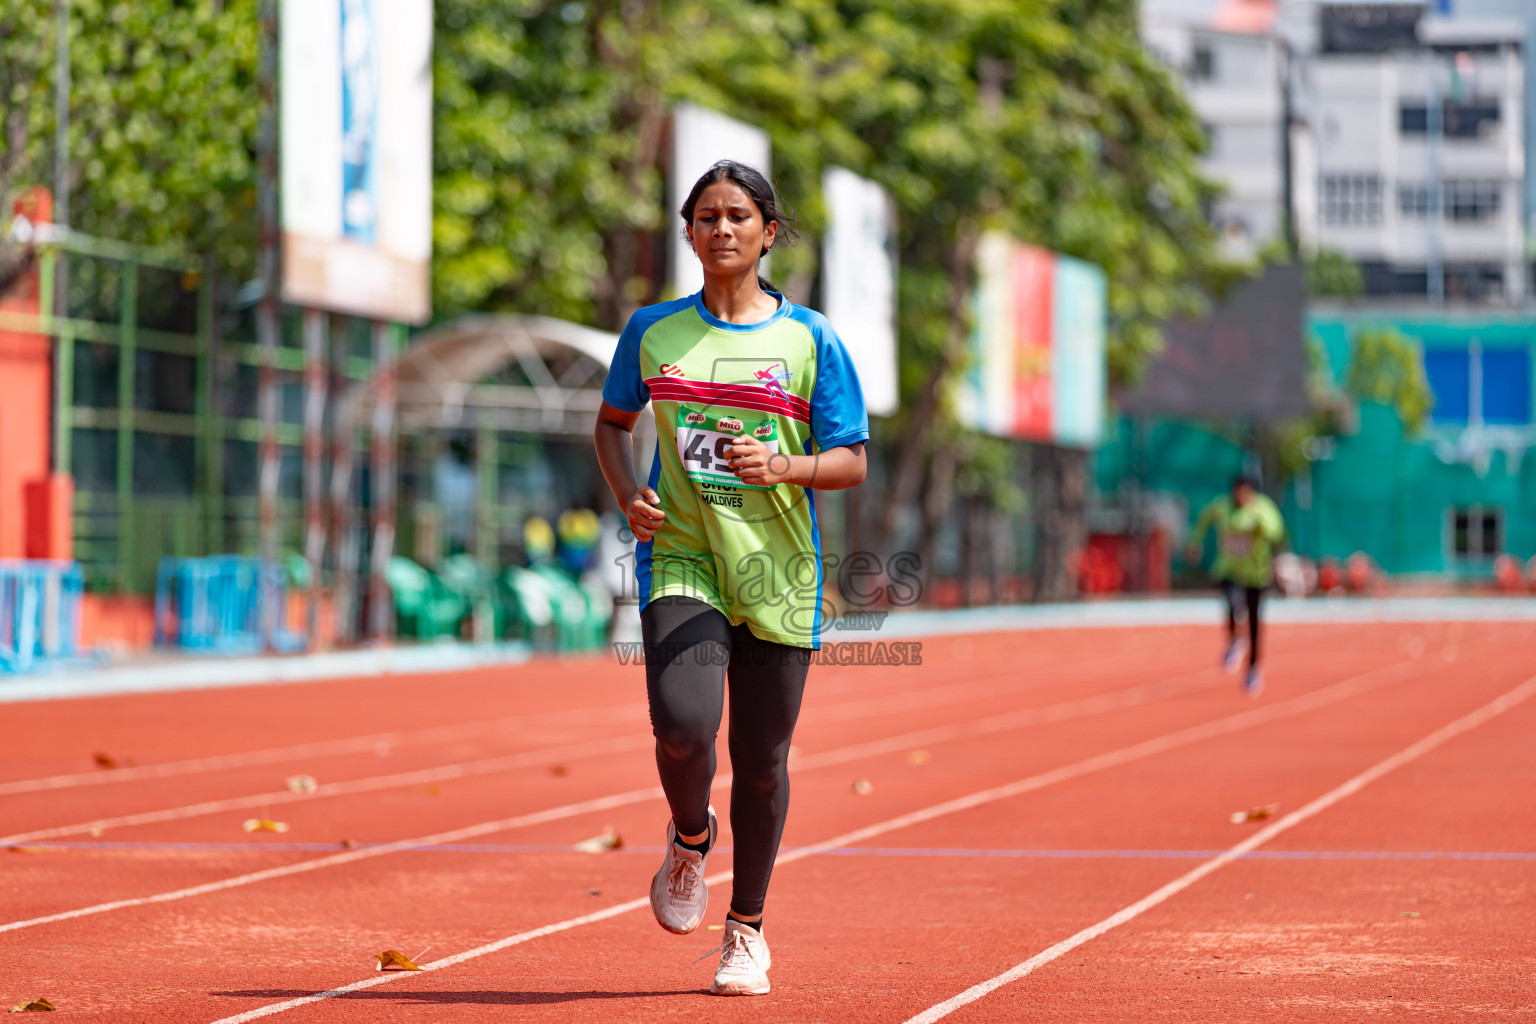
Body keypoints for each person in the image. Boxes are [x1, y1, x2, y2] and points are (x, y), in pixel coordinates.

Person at [593, 161, 868, 995]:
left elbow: (852, 462)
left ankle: (745, 928)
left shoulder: (810, 338)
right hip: (681, 555)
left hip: (778, 569)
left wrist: (785, 466)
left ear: (767, 232)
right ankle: (688, 835)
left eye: (738, 216)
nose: (722, 230)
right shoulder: (652, 331)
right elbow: (611, 426)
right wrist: (628, 498)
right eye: (706, 216)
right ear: (688, 232)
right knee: (682, 725)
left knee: (761, 756)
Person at [1186, 473, 1286, 696]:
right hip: (1229, 569)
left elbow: (1276, 531)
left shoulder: (1261, 509)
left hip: (1256, 574)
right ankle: (1234, 640)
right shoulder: (1224, 507)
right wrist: (1195, 541)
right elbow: (1205, 518)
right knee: (1231, 602)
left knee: (1253, 623)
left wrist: (1259, 525)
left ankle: (1253, 669)